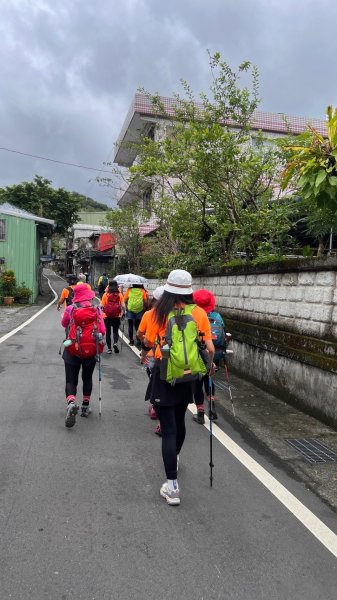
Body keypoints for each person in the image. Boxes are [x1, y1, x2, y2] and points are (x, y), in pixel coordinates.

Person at [142, 270, 214, 506]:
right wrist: (208, 367)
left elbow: (149, 342)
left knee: (168, 429)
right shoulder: (200, 313)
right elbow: (209, 348)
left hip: (164, 375)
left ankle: (172, 486)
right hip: (188, 376)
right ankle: (175, 457)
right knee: (180, 420)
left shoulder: (158, 313)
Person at [61, 283, 106, 427]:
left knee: (71, 380)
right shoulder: (96, 309)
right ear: (89, 296)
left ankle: (71, 403)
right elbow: (103, 331)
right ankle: (85, 406)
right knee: (87, 378)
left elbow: (64, 324)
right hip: (91, 350)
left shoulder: (70, 308)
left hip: (73, 348)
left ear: (76, 296)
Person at [192, 289, 224, 424]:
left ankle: (200, 412)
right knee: (209, 379)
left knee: (197, 383)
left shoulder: (192, 314)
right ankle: (212, 407)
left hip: (198, 354)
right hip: (214, 354)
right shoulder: (217, 317)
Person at [136, 285, 165, 436]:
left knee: (155, 382)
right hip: (176, 357)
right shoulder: (176, 314)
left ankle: (155, 409)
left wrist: (145, 351)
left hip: (155, 355)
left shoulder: (150, 314)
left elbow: (141, 334)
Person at [101, 280, 125, 354]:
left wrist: (102, 311)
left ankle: (109, 349)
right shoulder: (119, 294)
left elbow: (102, 305)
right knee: (115, 331)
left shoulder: (105, 295)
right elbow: (123, 305)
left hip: (106, 316)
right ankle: (115, 343)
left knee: (108, 332)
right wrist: (123, 313)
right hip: (116, 316)